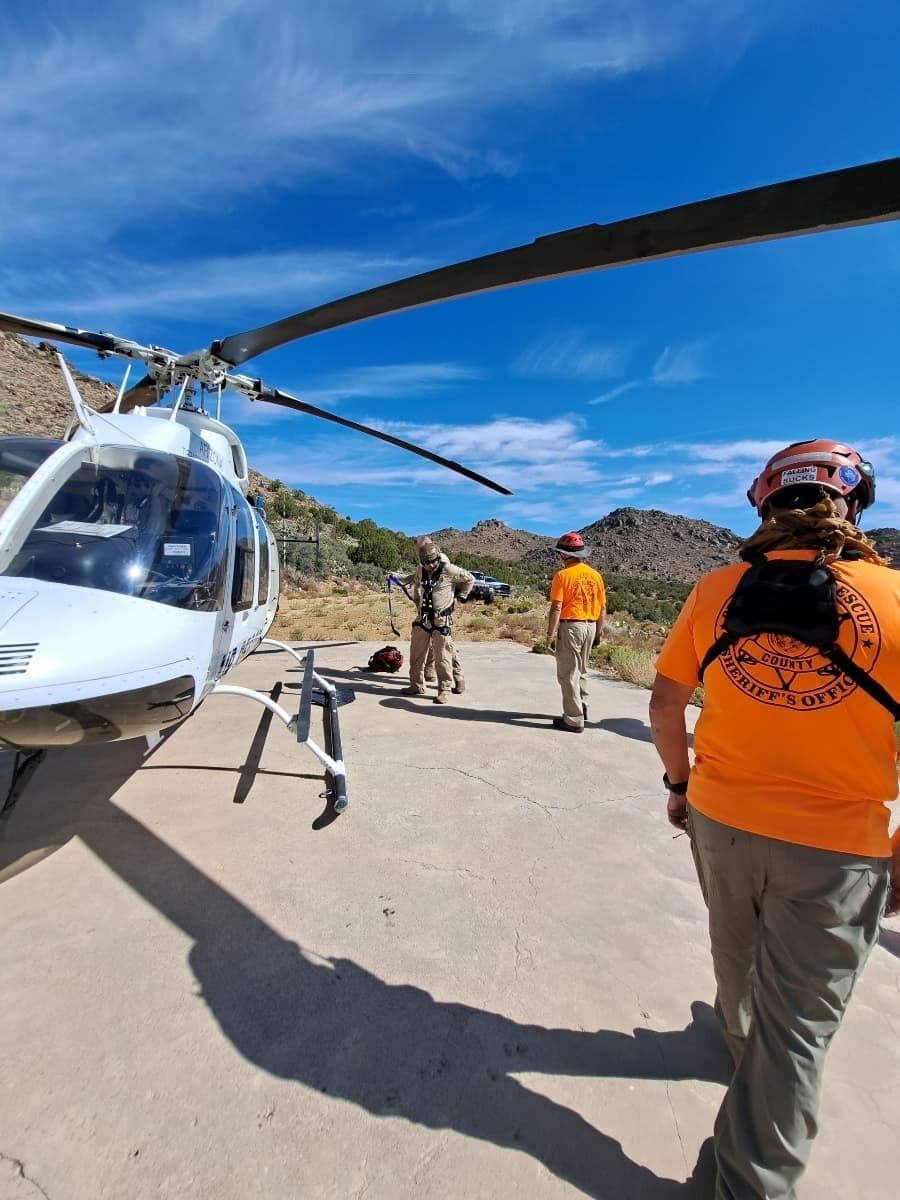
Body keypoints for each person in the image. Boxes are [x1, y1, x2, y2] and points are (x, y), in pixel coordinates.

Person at [648, 438, 900, 1199]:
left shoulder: (716, 587)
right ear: (856, 501)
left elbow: (665, 705)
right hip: (840, 846)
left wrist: (679, 784)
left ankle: (736, 1045)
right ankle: (749, 1185)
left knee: (736, 955)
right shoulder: (894, 596)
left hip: (719, 816)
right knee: (798, 1034)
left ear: (765, 502)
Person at [393, 538, 474, 703]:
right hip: (423, 618)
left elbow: (469, 579)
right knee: (416, 654)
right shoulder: (420, 570)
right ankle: (416, 685)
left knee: (443, 656)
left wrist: (459, 598)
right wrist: (394, 577)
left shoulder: (448, 569)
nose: (432, 565)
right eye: (427, 563)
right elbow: (411, 579)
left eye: (434, 561)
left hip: (441, 619)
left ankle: (444, 689)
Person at [545, 531, 606, 732]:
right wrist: (598, 632)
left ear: (563, 555)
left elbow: (556, 607)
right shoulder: (595, 575)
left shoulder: (562, 576)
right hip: (590, 625)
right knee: (582, 668)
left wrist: (549, 635)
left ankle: (573, 718)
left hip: (571, 626)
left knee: (567, 673)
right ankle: (583, 705)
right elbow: (603, 608)